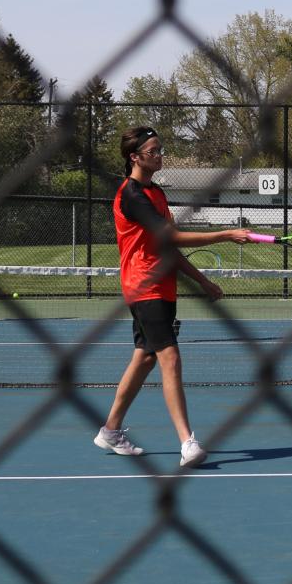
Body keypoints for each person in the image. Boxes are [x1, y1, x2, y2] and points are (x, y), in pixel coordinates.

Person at [94, 126, 255, 469]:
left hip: (163, 287)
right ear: (134, 157)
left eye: (160, 149)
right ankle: (188, 442)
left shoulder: (157, 194)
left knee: (146, 358)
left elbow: (168, 248)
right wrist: (226, 234)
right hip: (143, 286)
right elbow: (175, 237)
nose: (160, 155)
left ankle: (110, 430)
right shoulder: (132, 195)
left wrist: (203, 282)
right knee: (170, 358)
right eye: (153, 151)